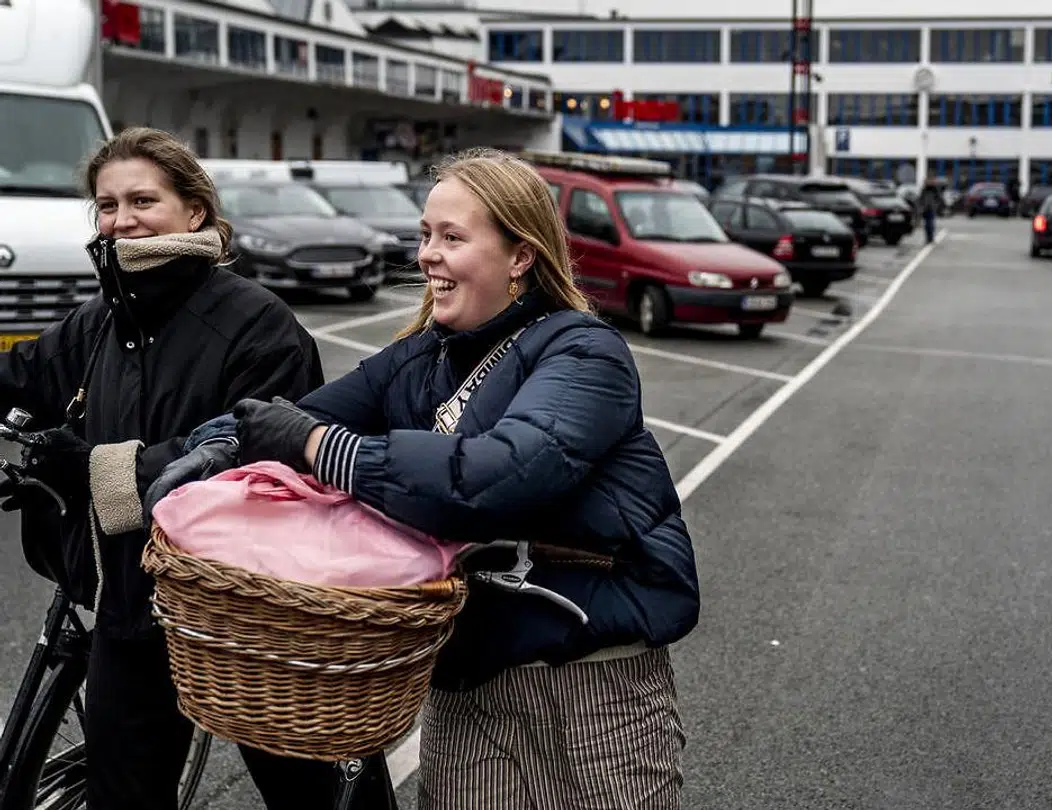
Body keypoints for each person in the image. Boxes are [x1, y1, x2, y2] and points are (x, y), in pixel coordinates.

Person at [151, 147, 701, 809]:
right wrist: (211, 450)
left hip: (587, 685)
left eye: (452, 237)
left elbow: (503, 475)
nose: (426, 256)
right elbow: (287, 420)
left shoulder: (583, 350)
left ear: (520, 256)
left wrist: (322, 448)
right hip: (463, 679)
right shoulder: (419, 358)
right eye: (424, 235)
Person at [0, 127, 396, 810]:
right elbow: (21, 376)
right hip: (133, 607)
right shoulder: (102, 315)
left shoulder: (257, 323)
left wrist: (96, 467)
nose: (122, 219)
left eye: (143, 200)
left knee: (310, 797)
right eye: (106, 204)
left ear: (196, 213)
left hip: (246, 623)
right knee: (122, 796)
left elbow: (262, 462)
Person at [918, 178, 942, 243]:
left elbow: (938, 199)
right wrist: (921, 207)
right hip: (925, 209)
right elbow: (920, 199)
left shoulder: (935, 190)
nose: (928, 183)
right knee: (926, 225)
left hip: (931, 209)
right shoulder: (924, 190)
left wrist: (935, 205)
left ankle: (931, 238)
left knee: (930, 224)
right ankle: (928, 238)